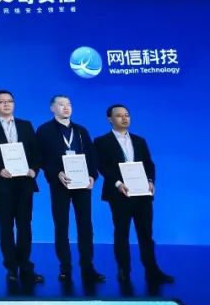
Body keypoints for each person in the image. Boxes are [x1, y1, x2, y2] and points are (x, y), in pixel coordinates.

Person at [94, 104, 174, 284]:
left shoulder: (139, 140)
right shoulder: (101, 141)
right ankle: (124, 270)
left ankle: (152, 270)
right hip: (119, 194)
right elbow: (102, 166)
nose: (125, 118)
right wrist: (118, 183)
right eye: (119, 115)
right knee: (121, 233)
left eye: (127, 115)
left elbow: (149, 164)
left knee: (146, 234)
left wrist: (151, 181)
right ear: (110, 119)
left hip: (142, 194)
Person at [0, 90, 44, 284]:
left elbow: (36, 151)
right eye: (1, 102)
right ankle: (11, 267)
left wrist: (34, 169)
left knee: (25, 225)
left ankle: (26, 266)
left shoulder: (25, 125)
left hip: (25, 182)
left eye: (10, 101)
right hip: (2, 183)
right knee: (6, 226)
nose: (6, 104)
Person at [36, 95, 104, 284]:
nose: (66, 107)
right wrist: (56, 173)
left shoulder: (81, 130)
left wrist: (92, 176)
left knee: (85, 226)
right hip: (60, 184)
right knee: (61, 225)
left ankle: (88, 267)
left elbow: (92, 156)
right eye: (61, 104)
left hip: (82, 184)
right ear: (52, 108)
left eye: (69, 104)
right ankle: (65, 268)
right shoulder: (44, 130)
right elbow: (40, 157)